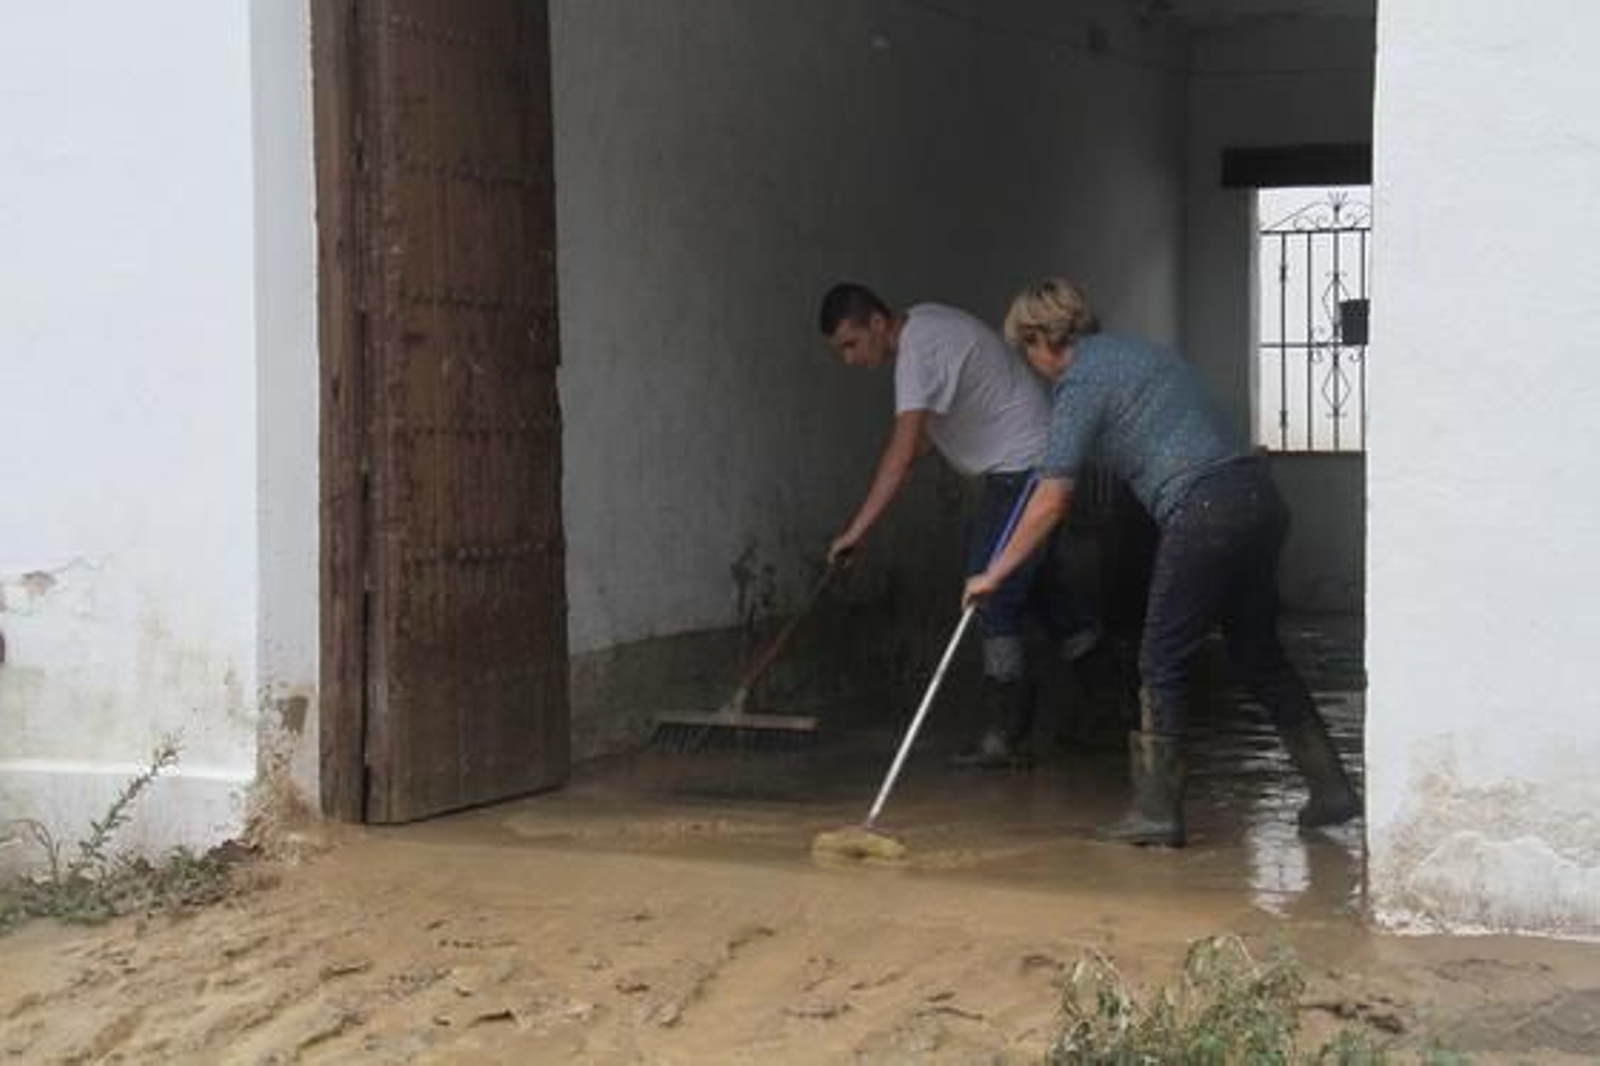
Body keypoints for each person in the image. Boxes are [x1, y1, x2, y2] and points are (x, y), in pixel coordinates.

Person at [964, 278, 1360, 845]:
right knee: (1257, 651)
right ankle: (1331, 788)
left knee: (1160, 658)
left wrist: (996, 572)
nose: (1031, 364)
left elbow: (1053, 498)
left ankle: (1156, 813)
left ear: (1041, 339)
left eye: (1026, 351)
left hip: (1203, 508)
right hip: (1258, 496)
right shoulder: (1140, 353)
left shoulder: (1079, 383)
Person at [819, 282, 1116, 767]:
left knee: (991, 591)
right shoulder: (927, 322)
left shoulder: (916, 351)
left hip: (1026, 468)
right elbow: (919, 444)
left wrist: (856, 531)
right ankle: (1110, 704)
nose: (850, 359)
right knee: (1042, 591)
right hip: (1032, 459)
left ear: (877, 322)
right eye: (840, 352)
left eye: (852, 344)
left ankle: (1007, 730)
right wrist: (899, 466)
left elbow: (902, 447)